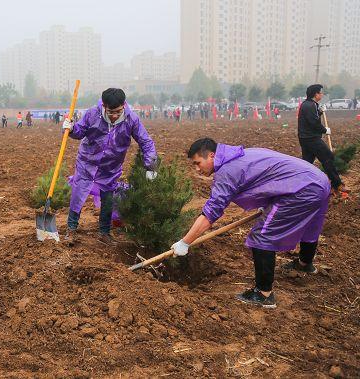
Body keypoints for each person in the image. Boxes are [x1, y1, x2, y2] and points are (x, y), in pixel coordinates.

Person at [170, 138, 331, 308]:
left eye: (198, 163)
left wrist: (185, 242)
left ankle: (263, 294)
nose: (197, 169)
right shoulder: (242, 154)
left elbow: (211, 213)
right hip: (318, 180)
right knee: (310, 226)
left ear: (211, 155)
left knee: (261, 235)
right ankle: (305, 264)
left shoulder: (226, 171)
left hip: (302, 189)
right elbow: (271, 177)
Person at [62, 88, 157, 245]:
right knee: (79, 193)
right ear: (104, 106)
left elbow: (146, 141)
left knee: (108, 199)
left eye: (118, 111)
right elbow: (79, 131)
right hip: (87, 162)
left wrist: (151, 166)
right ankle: (71, 230)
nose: (114, 116)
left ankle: (104, 233)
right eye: (111, 111)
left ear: (124, 105)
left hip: (111, 167)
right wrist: (71, 128)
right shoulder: (93, 114)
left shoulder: (131, 119)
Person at [298, 84, 349, 198]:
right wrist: (325, 130)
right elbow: (314, 123)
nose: (322, 94)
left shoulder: (309, 105)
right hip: (311, 138)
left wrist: (320, 111)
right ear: (316, 94)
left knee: (307, 163)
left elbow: (313, 118)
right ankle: (337, 184)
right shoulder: (310, 105)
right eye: (321, 92)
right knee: (328, 157)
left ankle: (300, 187)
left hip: (305, 138)